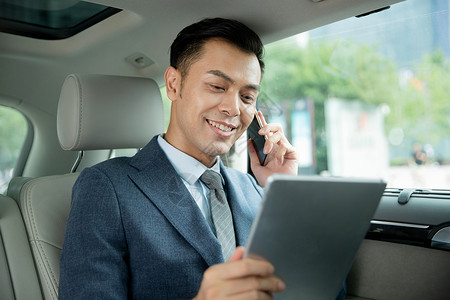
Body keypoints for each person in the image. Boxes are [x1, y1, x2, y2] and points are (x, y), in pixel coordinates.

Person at [59, 18, 342, 299]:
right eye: (218, 87)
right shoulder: (107, 188)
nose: (233, 109)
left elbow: (329, 291)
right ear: (173, 84)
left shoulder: (255, 190)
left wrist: (285, 191)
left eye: (246, 97)